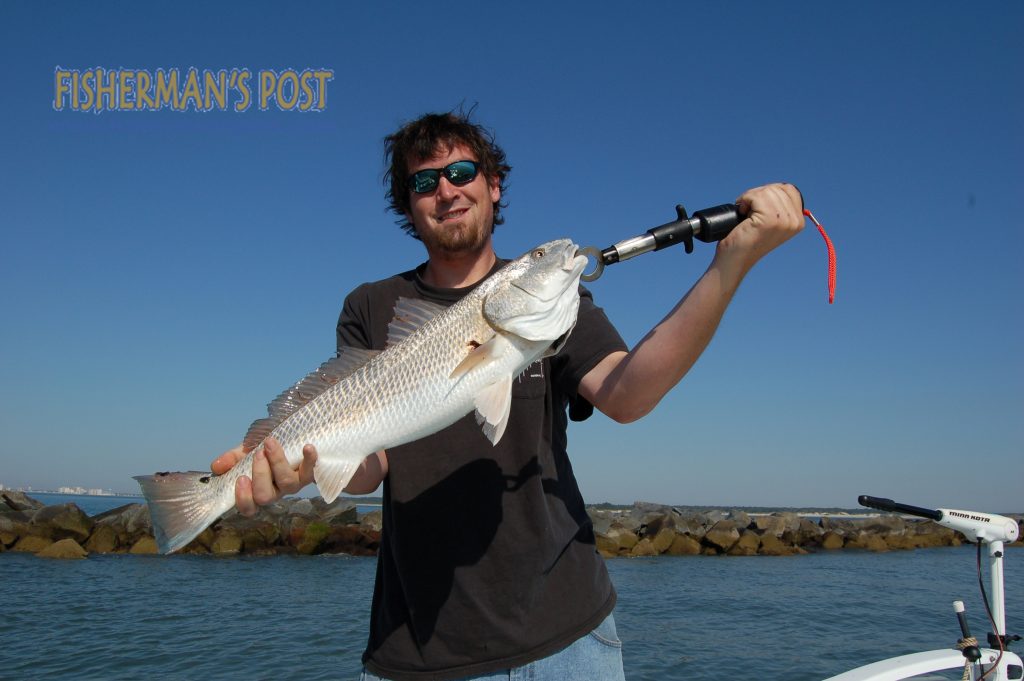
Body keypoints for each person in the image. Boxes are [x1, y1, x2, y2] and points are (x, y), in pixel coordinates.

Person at [211, 111, 805, 680]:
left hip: (567, 640)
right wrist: (303, 466)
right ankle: (196, 501)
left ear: (494, 187)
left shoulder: (557, 307)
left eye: (463, 173)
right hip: (416, 650)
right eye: (425, 181)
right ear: (409, 206)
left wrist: (730, 263)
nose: (446, 190)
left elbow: (628, 395)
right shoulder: (371, 306)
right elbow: (369, 467)